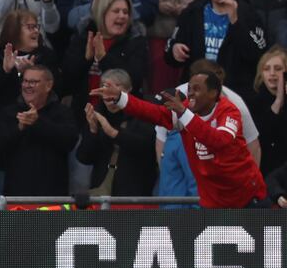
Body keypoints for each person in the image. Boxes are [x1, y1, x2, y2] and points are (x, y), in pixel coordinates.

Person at [91, 71, 267, 208]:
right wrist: (121, 98)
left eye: (197, 90)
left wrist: (184, 114)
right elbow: (152, 112)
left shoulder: (229, 111)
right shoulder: (185, 112)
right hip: (213, 201)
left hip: (246, 196)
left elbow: (220, 141)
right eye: (189, 89)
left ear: (213, 93)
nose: (190, 94)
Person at [155, 59, 262, 205]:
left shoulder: (234, 103)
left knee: (197, 198)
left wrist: (245, 188)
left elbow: (252, 144)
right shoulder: (177, 96)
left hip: (215, 154)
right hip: (182, 142)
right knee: (174, 200)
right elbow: (161, 138)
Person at [164, 0, 267, 102]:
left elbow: (257, 55)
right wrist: (174, 50)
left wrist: (235, 21)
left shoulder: (249, 13)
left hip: (234, 91)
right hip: (197, 90)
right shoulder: (193, 11)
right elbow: (170, 51)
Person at [0, 65, 78, 196]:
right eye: (25, 81)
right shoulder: (9, 112)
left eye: (33, 82)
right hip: (15, 194)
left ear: (48, 86)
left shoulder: (62, 112)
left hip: (52, 195)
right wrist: (19, 128)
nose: (27, 85)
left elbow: (69, 140)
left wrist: (37, 123)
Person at [61, 0, 149, 125]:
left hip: (121, 117)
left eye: (126, 12)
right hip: (82, 113)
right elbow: (67, 80)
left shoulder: (136, 41)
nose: (122, 16)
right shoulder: (84, 37)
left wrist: (104, 58)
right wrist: (86, 60)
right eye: (116, 11)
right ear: (102, 13)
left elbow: (134, 80)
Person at [77, 69, 157, 196]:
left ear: (128, 90)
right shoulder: (96, 115)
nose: (108, 92)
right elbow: (84, 158)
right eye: (104, 87)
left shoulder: (142, 114)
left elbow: (147, 148)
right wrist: (92, 131)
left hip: (134, 193)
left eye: (115, 87)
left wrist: (114, 133)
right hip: (101, 192)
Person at [251, 46, 287, 177]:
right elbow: (261, 137)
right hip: (265, 173)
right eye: (266, 69)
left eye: (278, 69)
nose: (272, 73)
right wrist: (278, 102)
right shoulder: (253, 103)